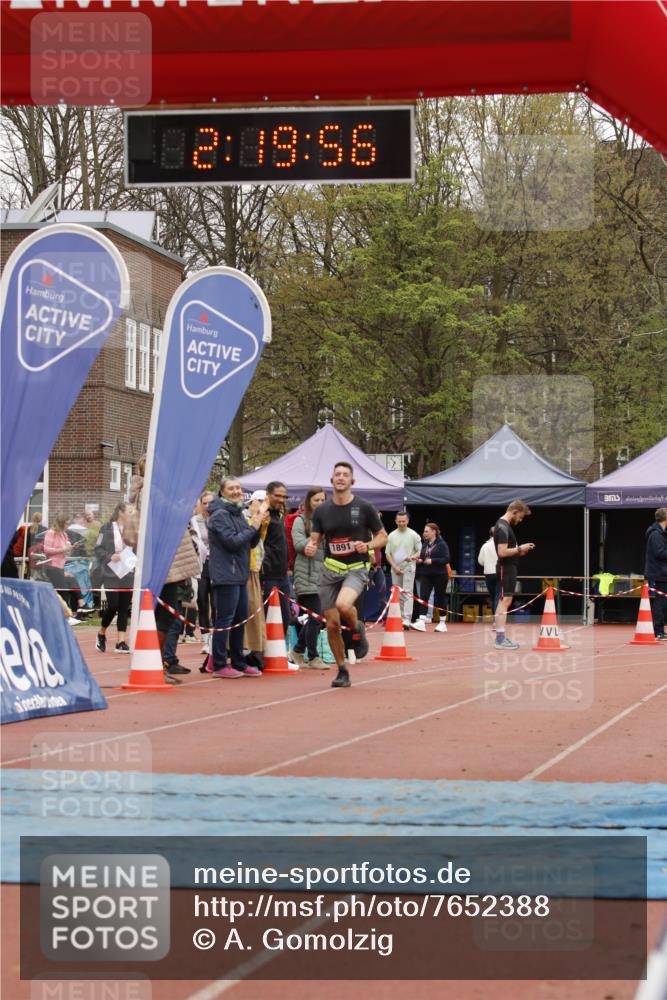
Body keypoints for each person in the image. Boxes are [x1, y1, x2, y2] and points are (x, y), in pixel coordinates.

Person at [305, 462, 387, 688]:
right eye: (337, 474)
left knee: (343, 606)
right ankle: (342, 670)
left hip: (356, 568)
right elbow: (315, 538)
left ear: (352, 482)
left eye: (345, 475)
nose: (341, 477)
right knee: (331, 625)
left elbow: (383, 536)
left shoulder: (364, 507)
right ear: (332, 481)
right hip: (330, 569)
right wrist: (311, 546)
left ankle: (356, 625)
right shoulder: (322, 511)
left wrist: (368, 545)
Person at [207, 477, 270, 678]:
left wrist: (258, 525)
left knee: (240, 619)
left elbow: (250, 544)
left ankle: (238, 662)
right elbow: (233, 543)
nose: (236, 491)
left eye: (238, 488)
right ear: (222, 492)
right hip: (226, 575)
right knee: (225, 619)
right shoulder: (219, 515)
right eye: (231, 488)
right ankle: (218, 664)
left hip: (240, 574)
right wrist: (253, 526)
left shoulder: (238, 513)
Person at [291, 487, 328, 669]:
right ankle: (312, 656)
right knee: (316, 617)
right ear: (308, 502)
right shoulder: (301, 520)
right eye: (316, 500)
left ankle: (298, 651)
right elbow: (298, 543)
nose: (320, 503)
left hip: (323, 575)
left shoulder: (328, 520)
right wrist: (313, 541)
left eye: (323, 500)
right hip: (305, 574)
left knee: (316, 617)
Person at [493, 499, 534, 649]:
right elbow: (502, 552)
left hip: (509, 566)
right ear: (514, 511)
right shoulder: (502, 526)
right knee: (505, 601)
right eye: (520, 517)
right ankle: (500, 639)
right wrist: (519, 548)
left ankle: (500, 637)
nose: (521, 520)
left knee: (504, 600)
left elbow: (508, 552)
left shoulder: (504, 526)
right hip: (506, 567)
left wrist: (521, 551)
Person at [94, 502, 135, 653]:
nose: (132, 514)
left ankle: (121, 642)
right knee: (113, 605)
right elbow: (98, 549)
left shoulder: (133, 529)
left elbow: (136, 548)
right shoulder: (106, 528)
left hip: (128, 571)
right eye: (129, 511)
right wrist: (110, 556)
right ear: (120, 512)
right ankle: (101, 632)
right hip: (111, 571)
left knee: (124, 606)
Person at [42, 515, 91, 619]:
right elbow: (46, 550)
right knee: (64, 590)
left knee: (72, 581)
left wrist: (72, 547)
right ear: (61, 523)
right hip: (52, 566)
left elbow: (66, 553)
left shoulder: (64, 534)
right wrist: (63, 549)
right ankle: (68, 614)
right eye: (66, 523)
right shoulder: (51, 533)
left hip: (60, 566)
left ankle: (81, 607)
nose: (68, 526)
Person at [260, 481, 292, 636]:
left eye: (284, 496)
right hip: (268, 573)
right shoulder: (263, 514)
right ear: (268, 494)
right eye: (277, 496)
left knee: (286, 617)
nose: (281, 499)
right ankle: (263, 655)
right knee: (269, 617)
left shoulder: (280, 513)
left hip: (283, 573)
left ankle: (280, 655)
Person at [385, 511, 422, 630]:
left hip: (409, 567)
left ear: (407, 521)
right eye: (399, 521)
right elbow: (387, 553)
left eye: (403, 521)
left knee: (407, 592)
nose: (401, 523)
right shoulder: (391, 535)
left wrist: (413, 557)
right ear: (395, 521)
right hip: (395, 568)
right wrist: (395, 567)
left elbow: (420, 550)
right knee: (398, 593)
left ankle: (406, 619)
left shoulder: (414, 535)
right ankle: (400, 618)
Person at [243, 490, 268, 669]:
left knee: (255, 613)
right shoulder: (245, 518)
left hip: (256, 569)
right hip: (245, 570)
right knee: (246, 612)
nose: (262, 505)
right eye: (259, 501)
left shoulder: (265, 520)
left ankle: (255, 653)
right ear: (251, 502)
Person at [416, 523, 450, 633]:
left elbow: (446, 559)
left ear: (434, 532)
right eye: (424, 531)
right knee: (424, 596)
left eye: (426, 531)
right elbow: (422, 556)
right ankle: (421, 621)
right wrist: (418, 560)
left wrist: (433, 561)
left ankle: (442, 623)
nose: (424, 533)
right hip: (426, 574)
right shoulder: (425, 544)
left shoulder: (441, 544)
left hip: (440, 575)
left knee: (440, 597)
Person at [645, 507, 667, 640]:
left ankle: (660, 630)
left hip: (663, 573)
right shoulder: (655, 534)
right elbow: (659, 553)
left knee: (663, 602)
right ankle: (658, 631)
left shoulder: (661, 533)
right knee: (660, 602)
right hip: (659, 573)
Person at [478, 527, 498, 625]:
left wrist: (488, 563)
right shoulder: (501, 545)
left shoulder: (485, 546)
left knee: (493, 597)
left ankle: (496, 620)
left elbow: (480, 561)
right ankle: (497, 621)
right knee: (499, 598)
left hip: (488, 574)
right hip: (499, 573)